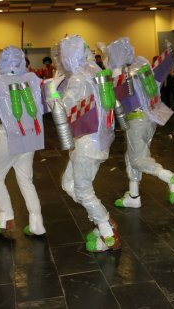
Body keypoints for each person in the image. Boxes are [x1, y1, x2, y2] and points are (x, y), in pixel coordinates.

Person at [47, 35, 119, 253]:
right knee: (68, 184)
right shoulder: (93, 69)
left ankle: (108, 232)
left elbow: (60, 109)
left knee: (83, 190)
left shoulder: (79, 78)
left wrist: (52, 87)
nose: (59, 59)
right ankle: (100, 219)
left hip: (88, 143)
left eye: (61, 55)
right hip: (98, 139)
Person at [0, 46, 46, 237]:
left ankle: (6, 219)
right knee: (25, 179)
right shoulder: (32, 78)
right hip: (31, 135)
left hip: (8, 135)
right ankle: (37, 224)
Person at [105, 37, 174, 209]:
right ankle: (133, 196)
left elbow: (113, 95)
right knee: (131, 156)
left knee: (137, 159)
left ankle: (171, 177)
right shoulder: (140, 65)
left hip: (136, 120)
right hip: (150, 118)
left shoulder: (122, 73)